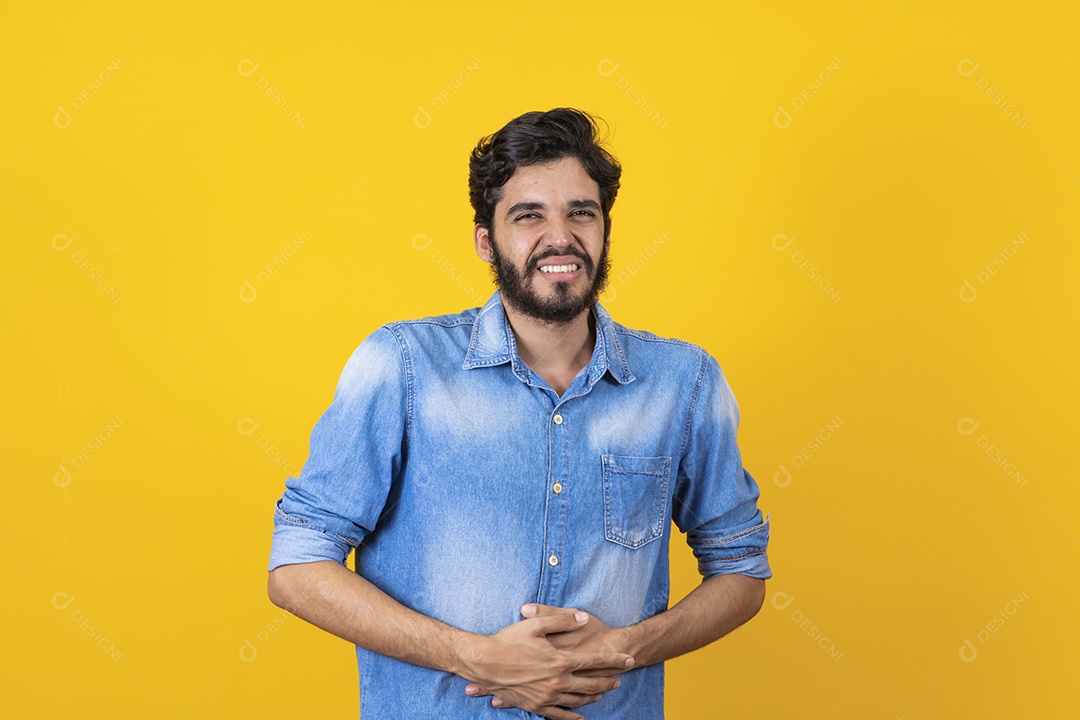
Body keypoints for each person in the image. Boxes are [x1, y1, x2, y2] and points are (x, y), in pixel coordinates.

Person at [267, 107, 771, 720]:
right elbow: (297, 565)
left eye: (580, 212)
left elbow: (741, 572)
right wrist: (471, 656)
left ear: (605, 228)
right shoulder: (400, 365)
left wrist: (623, 649)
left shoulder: (683, 382)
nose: (559, 237)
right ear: (487, 239)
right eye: (528, 215)